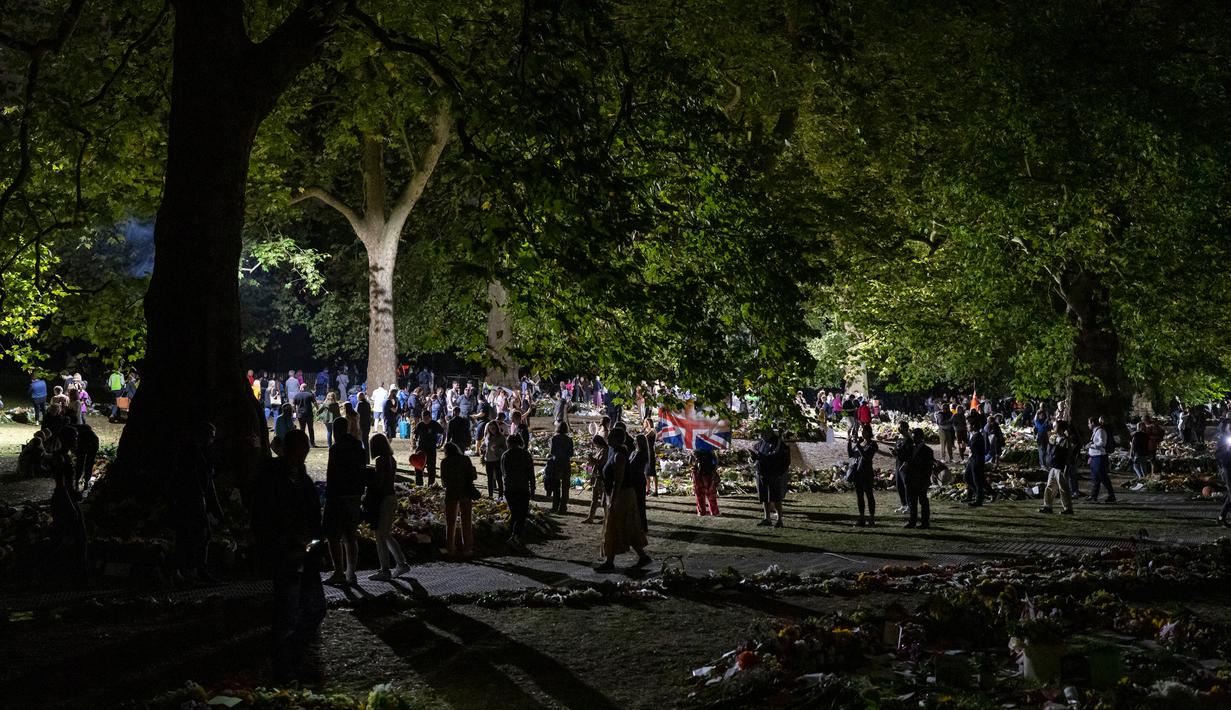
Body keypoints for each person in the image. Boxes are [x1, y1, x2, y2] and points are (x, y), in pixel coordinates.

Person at [250, 429, 325, 684]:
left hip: (304, 554)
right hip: (285, 556)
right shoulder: (274, 478)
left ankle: (293, 657)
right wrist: (287, 540)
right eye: (300, 451)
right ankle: (285, 668)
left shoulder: (299, 477)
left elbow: (311, 512)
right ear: (290, 450)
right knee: (287, 614)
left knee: (314, 608)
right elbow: (266, 518)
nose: (303, 456)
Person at [170, 422, 224, 584]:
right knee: (198, 535)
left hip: (192, 498)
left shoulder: (196, 451)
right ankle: (192, 570)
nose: (213, 439)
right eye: (212, 435)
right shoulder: (194, 453)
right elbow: (201, 480)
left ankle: (190, 570)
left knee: (195, 535)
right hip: (192, 499)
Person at [595, 428, 651, 571]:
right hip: (618, 494)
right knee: (624, 526)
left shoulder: (619, 455)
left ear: (617, 439)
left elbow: (619, 480)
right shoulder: (614, 452)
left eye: (611, 436)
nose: (608, 438)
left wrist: (613, 499)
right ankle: (641, 556)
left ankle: (610, 562)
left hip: (622, 495)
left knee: (616, 526)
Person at [324, 417, 366, 585]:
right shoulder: (358, 446)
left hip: (337, 496)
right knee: (350, 536)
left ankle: (338, 571)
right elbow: (363, 470)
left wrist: (328, 495)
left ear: (335, 431)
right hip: (354, 496)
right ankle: (352, 572)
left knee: (333, 536)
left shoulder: (336, 448)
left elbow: (331, 473)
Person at [367, 434, 410, 580]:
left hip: (384, 499)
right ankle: (401, 563)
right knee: (386, 534)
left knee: (380, 535)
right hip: (391, 497)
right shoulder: (392, 459)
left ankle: (385, 569)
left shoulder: (380, 461)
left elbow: (380, 482)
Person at [48, 425, 88, 576]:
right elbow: (61, 485)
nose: (77, 440)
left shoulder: (65, 455)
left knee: (64, 536)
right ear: (67, 439)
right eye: (75, 437)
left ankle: (66, 570)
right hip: (63, 501)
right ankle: (79, 572)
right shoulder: (59, 458)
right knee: (79, 536)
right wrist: (71, 505)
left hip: (68, 498)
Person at [440, 442, 478, 557]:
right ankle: (467, 548)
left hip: (451, 492)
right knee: (466, 521)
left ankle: (450, 547)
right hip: (465, 491)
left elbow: (444, 482)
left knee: (450, 522)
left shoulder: (445, 462)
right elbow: (472, 475)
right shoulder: (465, 459)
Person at [501, 431, 535, 547]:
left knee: (514, 513)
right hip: (522, 487)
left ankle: (512, 536)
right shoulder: (525, 455)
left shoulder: (505, 455)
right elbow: (531, 472)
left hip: (510, 488)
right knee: (521, 514)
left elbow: (503, 472)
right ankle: (515, 536)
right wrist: (533, 487)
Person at [751, 428, 789, 528]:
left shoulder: (778, 442)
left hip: (774, 473)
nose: (761, 435)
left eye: (763, 432)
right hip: (762, 473)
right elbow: (757, 453)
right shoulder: (761, 443)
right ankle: (767, 518)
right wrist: (753, 457)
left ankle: (779, 520)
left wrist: (760, 457)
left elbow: (775, 456)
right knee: (764, 497)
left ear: (769, 432)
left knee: (776, 497)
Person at [1039, 420, 1077, 515]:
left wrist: (1066, 467)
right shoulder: (1055, 438)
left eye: (1055, 426)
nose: (1053, 427)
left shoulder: (1065, 441)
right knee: (1050, 487)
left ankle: (1068, 508)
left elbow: (1068, 455)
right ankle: (1047, 506)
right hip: (1053, 466)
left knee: (1063, 488)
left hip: (1061, 467)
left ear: (1060, 429)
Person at [847, 423, 878, 527]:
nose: (862, 433)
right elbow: (851, 454)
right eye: (862, 431)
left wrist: (858, 445)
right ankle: (862, 517)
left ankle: (872, 518)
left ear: (869, 432)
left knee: (869, 495)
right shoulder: (861, 443)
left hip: (866, 473)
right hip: (857, 472)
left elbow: (866, 457)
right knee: (859, 496)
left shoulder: (872, 444)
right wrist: (849, 442)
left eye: (864, 431)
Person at [903, 428, 933, 529]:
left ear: (921, 437)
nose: (914, 438)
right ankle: (912, 521)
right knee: (912, 501)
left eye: (915, 436)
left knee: (923, 501)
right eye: (913, 436)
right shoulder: (911, 448)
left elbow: (928, 468)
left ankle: (925, 522)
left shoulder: (928, 451)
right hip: (911, 478)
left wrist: (926, 481)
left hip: (921, 479)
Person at [1086, 416, 1117, 503]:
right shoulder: (1095, 431)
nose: (1088, 425)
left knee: (1103, 477)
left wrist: (1091, 446)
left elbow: (1102, 443)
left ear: (1092, 423)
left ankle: (1111, 495)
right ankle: (1093, 495)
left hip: (1100, 457)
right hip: (1095, 457)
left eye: (1089, 423)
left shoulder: (1100, 431)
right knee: (1095, 478)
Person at [547, 422, 575, 514]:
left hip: (557, 463)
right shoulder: (569, 440)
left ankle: (555, 506)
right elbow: (571, 453)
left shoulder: (554, 439)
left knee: (556, 486)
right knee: (565, 487)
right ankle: (563, 507)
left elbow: (552, 451)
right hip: (566, 464)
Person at [413, 410, 444, 486]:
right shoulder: (420, 425)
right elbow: (415, 435)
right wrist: (414, 442)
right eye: (424, 418)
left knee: (431, 468)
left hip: (431, 450)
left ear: (430, 417)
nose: (425, 420)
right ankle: (419, 485)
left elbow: (443, 432)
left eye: (427, 418)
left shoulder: (435, 424)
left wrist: (441, 443)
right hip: (421, 449)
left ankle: (431, 485)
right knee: (418, 468)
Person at [582, 434, 608, 523]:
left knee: (603, 499)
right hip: (596, 476)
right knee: (594, 498)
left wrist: (591, 459)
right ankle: (590, 517)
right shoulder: (600, 450)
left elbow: (600, 462)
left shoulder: (605, 450)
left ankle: (606, 517)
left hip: (601, 476)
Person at [628, 433, 651, 532]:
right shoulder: (635, 452)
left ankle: (641, 525)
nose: (634, 442)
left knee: (639, 503)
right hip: (635, 478)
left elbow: (632, 464)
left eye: (635, 440)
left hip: (638, 479)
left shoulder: (641, 453)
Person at [480, 419, 508, 499]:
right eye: (490, 428)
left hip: (497, 459)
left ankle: (500, 495)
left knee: (499, 478)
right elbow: (484, 445)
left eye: (493, 428)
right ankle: (490, 495)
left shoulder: (501, 437)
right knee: (489, 479)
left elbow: (505, 449)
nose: (492, 430)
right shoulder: (487, 437)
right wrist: (483, 448)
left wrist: (498, 449)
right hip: (488, 460)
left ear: (497, 428)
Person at [891, 420, 913, 513]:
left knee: (906, 486)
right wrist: (894, 452)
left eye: (900, 427)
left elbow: (909, 453)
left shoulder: (909, 440)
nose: (899, 429)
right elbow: (897, 450)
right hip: (898, 463)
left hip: (905, 465)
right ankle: (903, 504)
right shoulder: (899, 439)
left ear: (905, 428)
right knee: (899, 485)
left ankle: (909, 505)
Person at [965, 423, 989, 506]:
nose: (967, 426)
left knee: (977, 480)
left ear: (973, 426)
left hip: (977, 459)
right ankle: (977, 495)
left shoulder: (979, 436)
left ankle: (979, 499)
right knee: (967, 478)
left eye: (968, 425)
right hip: (972, 459)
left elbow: (982, 449)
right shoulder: (972, 435)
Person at [691, 449, 720, 516]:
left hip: (698, 475)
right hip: (709, 474)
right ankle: (714, 512)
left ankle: (701, 512)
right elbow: (715, 463)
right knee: (711, 494)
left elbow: (690, 463)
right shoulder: (710, 451)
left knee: (699, 494)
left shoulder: (694, 452)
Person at [1216, 419, 1231, 526]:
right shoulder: (1223, 440)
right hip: (1227, 469)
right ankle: (1221, 516)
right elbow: (1219, 456)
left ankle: (1222, 516)